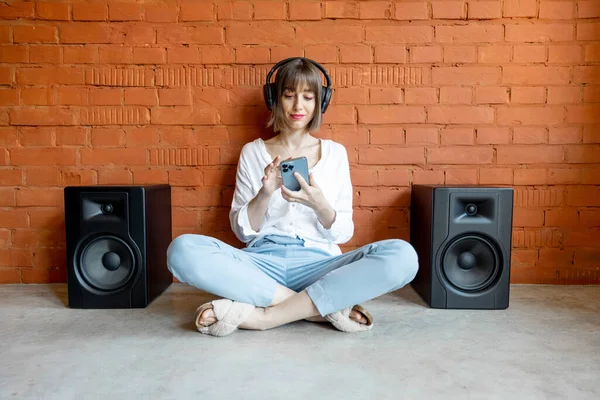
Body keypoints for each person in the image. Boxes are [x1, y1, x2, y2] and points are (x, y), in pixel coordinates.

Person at [166, 58, 419, 337]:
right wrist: (265, 193)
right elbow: (241, 231)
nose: (299, 106)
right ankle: (317, 308)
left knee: (403, 256)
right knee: (182, 250)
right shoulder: (253, 152)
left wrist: (318, 203)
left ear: (320, 103)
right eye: (289, 96)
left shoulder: (335, 153)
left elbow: (344, 233)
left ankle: (265, 317)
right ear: (275, 99)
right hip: (262, 265)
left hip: (320, 264)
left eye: (308, 97)